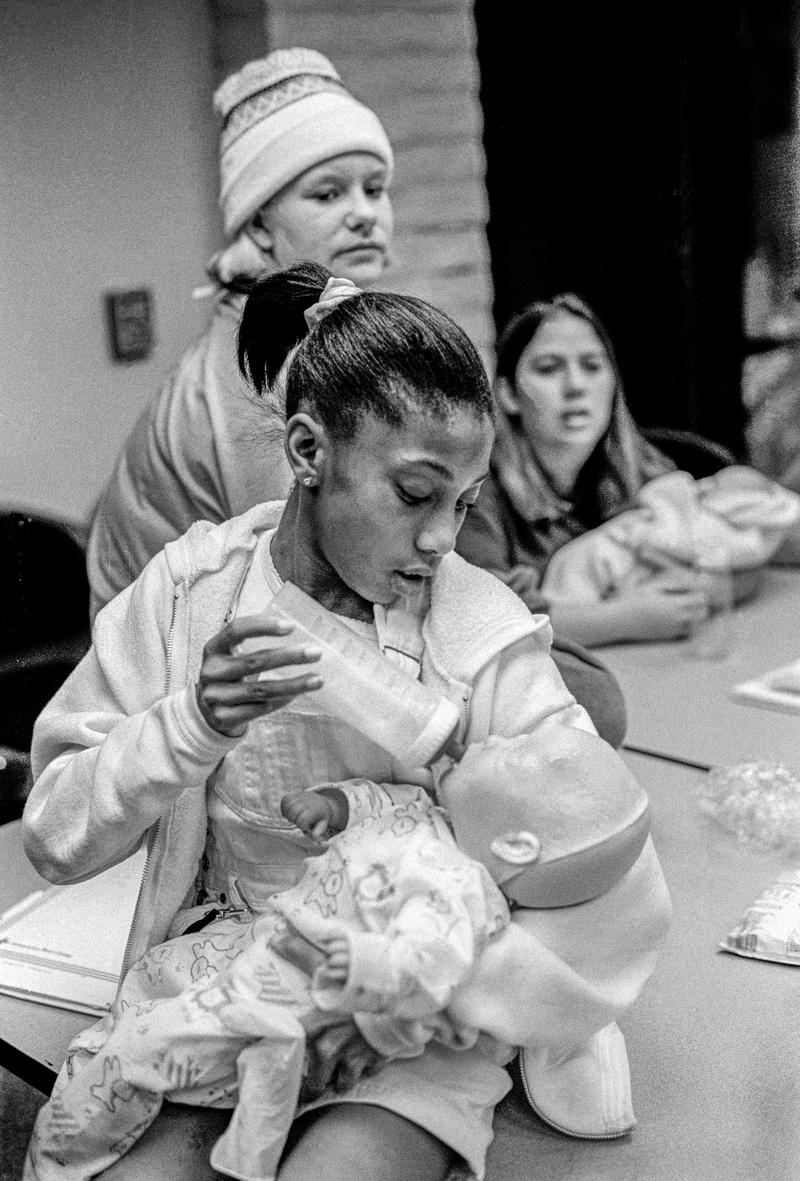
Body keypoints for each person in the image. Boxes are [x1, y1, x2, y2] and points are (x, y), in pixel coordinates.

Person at [22, 264, 670, 1181]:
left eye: (466, 504)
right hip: (222, 975)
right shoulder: (190, 596)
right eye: (415, 494)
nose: (442, 538)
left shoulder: (476, 630)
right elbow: (53, 836)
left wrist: (463, 986)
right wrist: (190, 724)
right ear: (306, 451)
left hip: (410, 1006)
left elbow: (594, 852)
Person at [25, 728, 651, 1181]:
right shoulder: (428, 811)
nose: (496, 740)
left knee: (150, 1058)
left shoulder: (459, 894)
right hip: (253, 946)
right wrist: (334, 806)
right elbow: (378, 801)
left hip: (310, 994)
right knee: (151, 1043)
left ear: (515, 845)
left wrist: (364, 966)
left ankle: (66, 1156)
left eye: (519, 758)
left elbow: (429, 965)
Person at [86, 47, 395, 624]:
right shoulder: (258, 369)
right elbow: (305, 583)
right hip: (177, 669)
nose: (364, 214)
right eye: (328, 194)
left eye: (375, 189)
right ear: (258, 223)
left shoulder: (312, 334)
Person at [456, 293, 715, 646]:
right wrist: (627, 618)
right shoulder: (475, 490)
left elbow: (719, 547)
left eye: (592, 366)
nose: (576, 386)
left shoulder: (636, 462)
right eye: (548, 368)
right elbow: (480, 618)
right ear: (508, 394)